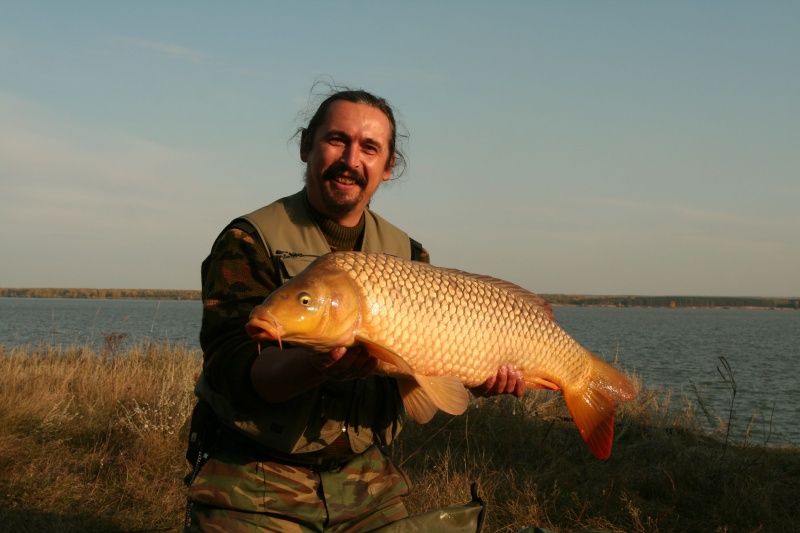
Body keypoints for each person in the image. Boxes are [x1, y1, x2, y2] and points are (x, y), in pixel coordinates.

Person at [183, 85, 526, 533]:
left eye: (369, 148)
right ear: (306, 145)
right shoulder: (249, 239)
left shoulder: (409, 254)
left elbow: (429, 382)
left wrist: (478, 375)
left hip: (367, 480)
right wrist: (316, 367)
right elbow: (230, 371)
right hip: (254, 476)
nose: (351, 160)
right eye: (336, 140)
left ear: (388, 166)